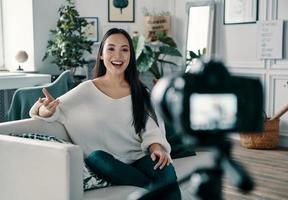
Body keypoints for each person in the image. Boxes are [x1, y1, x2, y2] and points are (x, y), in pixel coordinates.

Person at [29, 28, 181, 200]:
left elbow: (152, 130)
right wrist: (45, 109)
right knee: (96, 157)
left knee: (164, 166)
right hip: (111, 165)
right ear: (101, 54)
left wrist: (157, 149)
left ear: (130, 56)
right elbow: (53, 109)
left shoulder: (141, 91)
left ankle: (155, 192)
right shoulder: (86, 89)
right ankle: (155, 191)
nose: (118, 55)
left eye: (124, 49)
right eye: (111, 49)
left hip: (139, 159)